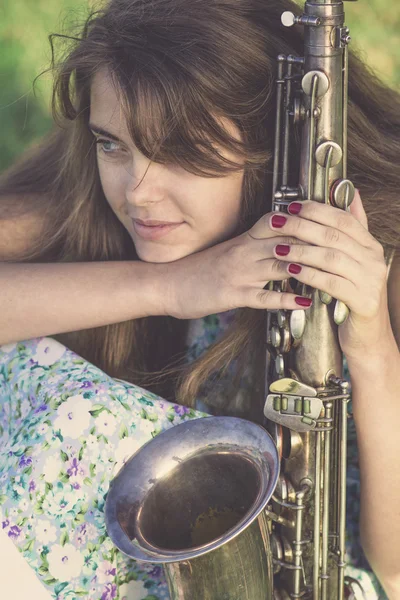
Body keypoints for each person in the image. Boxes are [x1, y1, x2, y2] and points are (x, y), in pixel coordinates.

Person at [0, 0, 399, 598]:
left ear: (272, 144)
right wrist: (171, 286)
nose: (138, 192)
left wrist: (370, 346)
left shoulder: (382, 249)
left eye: (180, 152)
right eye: (113, 144)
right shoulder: (91, 191)